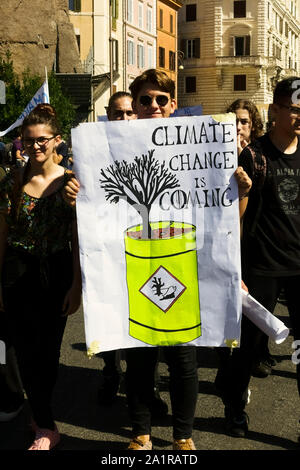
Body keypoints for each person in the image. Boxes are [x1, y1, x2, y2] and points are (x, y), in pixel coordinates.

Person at [64, 70, 251, 450]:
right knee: (140, 359)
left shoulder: (197, 147)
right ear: (134, 104)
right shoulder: (108, 147)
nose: (153, 106)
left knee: (183, 361)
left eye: (161, 100)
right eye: (145, 99)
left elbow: (228, 218)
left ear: (173, 105)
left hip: (182, 261)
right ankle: (141, 432)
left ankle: (183, 435)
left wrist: (240, 191)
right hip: (133, 262)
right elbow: (93, 206)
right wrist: (75, 196)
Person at [216, 76, 300, 438]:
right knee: (248, 347)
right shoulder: (254, 156)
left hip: (299, 270)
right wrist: (236, 270)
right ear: (276, 110)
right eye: (295, 109)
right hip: (262, 266)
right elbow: (235, 217)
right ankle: (235, 405)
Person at [0, 104, 82, 450]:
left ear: (56, 141)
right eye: (29, 141)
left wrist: (78, 284)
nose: (36, 147)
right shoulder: (12, 180)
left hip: (57, 269)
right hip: (18, 270)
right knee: (24, 349)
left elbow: (79, 236)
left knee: (48, 353)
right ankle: (46, 427)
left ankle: (40, 413)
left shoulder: (71, 183)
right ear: (21, 142)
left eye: (43, 140)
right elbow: (2, 233)